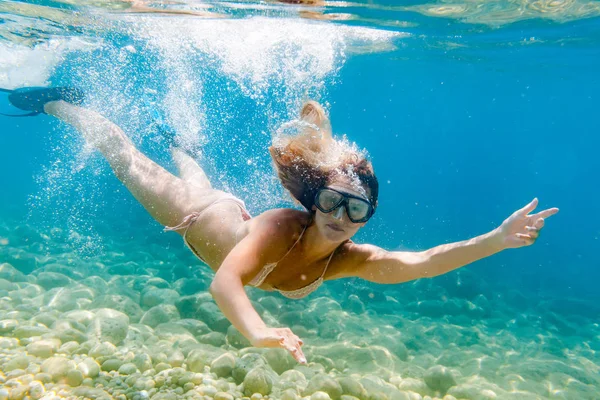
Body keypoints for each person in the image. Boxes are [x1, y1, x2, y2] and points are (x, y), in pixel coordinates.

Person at [2, 87, 559, 364]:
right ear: (315, 201)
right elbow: (224, 282)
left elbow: (420, 263)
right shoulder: (279, 226)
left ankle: (182, 143)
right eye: (336, 203)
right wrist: (258, 331)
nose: (343, 219)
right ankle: (58, 102)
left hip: (221, 208)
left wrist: (496, 240)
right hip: (196, 217)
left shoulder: (349, 259)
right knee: (125, 158)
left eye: (358, 211)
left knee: (192, 174)